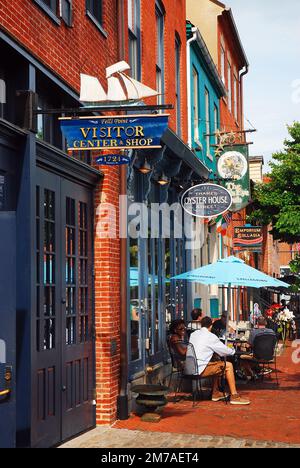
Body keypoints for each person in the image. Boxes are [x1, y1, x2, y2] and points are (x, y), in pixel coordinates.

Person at [189, 317, 250, 405]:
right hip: (199, 369)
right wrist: (235, 352)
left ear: (201, 325)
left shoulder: (193, 334)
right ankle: (234, 396)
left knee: (217, 362)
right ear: (211, 326)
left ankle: (215, 392)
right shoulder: (210, 336)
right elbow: (224, 351)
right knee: (228, 365)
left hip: (190, 368)